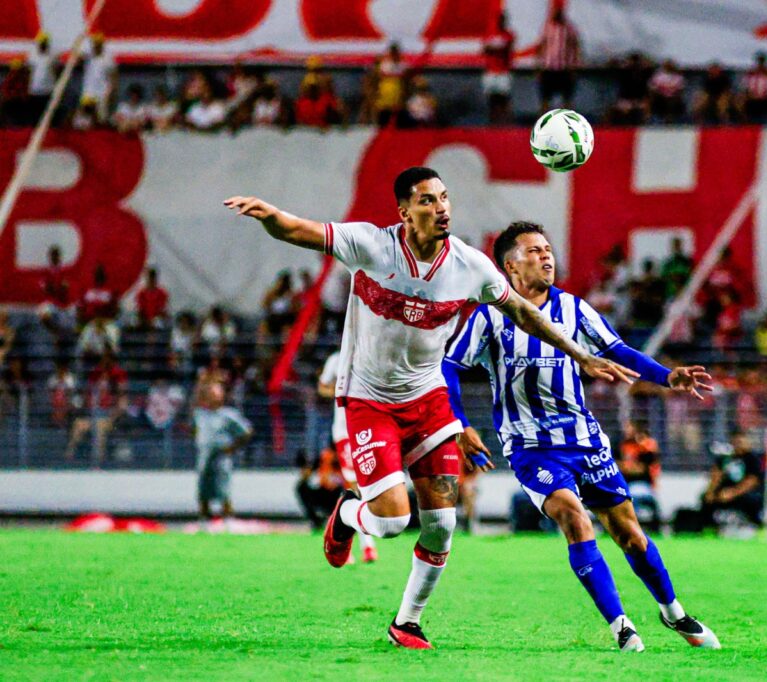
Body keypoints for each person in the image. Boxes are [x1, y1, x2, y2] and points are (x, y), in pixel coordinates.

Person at [223, 166, 634, 650]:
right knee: (393, 520)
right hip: (369, 399)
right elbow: (301, 231)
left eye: (444, 198)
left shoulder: (469, 265)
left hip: (428, 398)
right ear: (404, 211)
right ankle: (349, 514)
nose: (441, 209)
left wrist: (579, 352)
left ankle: (407, 623)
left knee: (442, 522)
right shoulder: (372, 246)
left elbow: (522, 311)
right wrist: (270, 215)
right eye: (427, 201)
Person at [443, 221, 719, 653]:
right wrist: (460, 423)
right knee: (575, 517)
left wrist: (668, 376)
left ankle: (673, 612)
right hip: (531, 446)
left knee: (631, 535)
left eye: (548, 248)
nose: (546, 256)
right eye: (534, 250)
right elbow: (449, 366)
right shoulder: (489, 314)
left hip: (585, 440)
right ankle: (621, 626)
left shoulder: (573, 309)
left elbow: (618, 350)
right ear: (510, 265)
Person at [318, 350, 378, 563]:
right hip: (345, 430)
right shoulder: (335, 358)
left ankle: (344, 528)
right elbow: (322, 387)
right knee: (355, 486)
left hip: (370, 428)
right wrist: (339, 390)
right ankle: (365, 545)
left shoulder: (371, 354)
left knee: (368, 485)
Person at [193, 383, 252, 522]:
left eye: (217, 393)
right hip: (204, 456)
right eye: (212, 393)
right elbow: (194, 430)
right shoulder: (200, 414)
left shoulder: (229, 414)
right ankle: (204, 518)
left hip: (221, 457)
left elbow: (246, 431)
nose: (215, 396)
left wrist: (233, 447)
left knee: (223, 488)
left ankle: (228, 519)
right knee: (203, 488)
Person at [700, 430, 765, 532]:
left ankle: (758, 527)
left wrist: (733, 493)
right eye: (736, 441)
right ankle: (709, 528)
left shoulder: (753, 459)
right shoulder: (726, 457)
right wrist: (711, 491)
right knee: (706, 498)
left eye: (741, 441)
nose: (738, 443)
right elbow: (716, 474)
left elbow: (752, 481)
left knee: (752, 500)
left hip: (744, 493)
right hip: (725, 492)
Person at [536, 8, 581, 112]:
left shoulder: (569, 28)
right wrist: (539, 66)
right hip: (549, 68)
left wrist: (575, 66)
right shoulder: (547, 27)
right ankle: (543, 125)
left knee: (567, 99)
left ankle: (568, 124)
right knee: (545, 99)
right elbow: (541, 46)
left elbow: (575, 46)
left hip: (565, 68)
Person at [81, 34, 116, 122]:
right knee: (86, 117)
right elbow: (76, 56)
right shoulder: (88, 57)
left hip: (102, 93)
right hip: (89, 93)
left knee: (101, 119)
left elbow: (113, 77)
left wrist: (110, 92)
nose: (95, 46)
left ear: (101, 45)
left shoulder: (108, 59)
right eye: (94, 43)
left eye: (97, 44)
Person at [26, 32, 57, 122]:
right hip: (34, 90)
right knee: (35, 116)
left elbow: (56, 71)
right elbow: (29, 71)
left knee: (48, 117)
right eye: (41, 43)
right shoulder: (32, 55)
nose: (43, 45)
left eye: (45, 43)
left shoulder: (52, 56)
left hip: (48, 90)